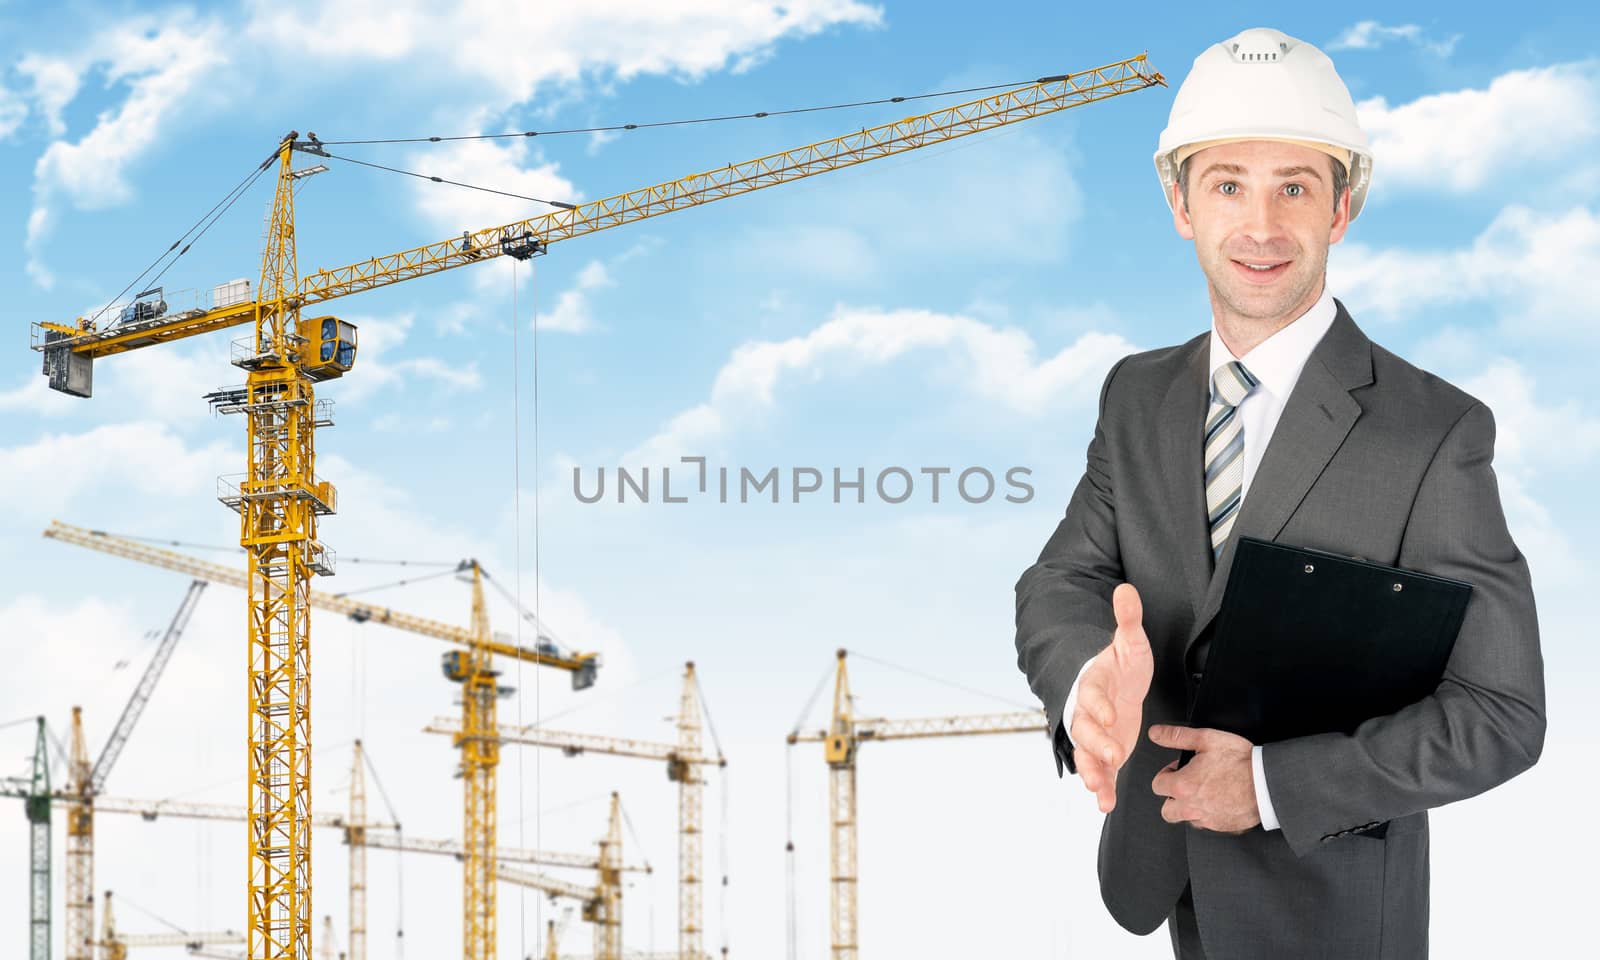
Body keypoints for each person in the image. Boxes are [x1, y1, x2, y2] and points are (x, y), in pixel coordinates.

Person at [1013, 26, 1545, 960]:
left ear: (1344, 207)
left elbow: (1501, 712)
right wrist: (1087, 680)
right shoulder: (1136, 395)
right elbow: (1063, 579)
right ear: (1180, 203)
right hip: (1158, 874)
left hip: (1327, 912)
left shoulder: (1435, 433)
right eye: (1228, 185)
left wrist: (1268, 786)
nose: (1260, 227)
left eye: (1294, 187)